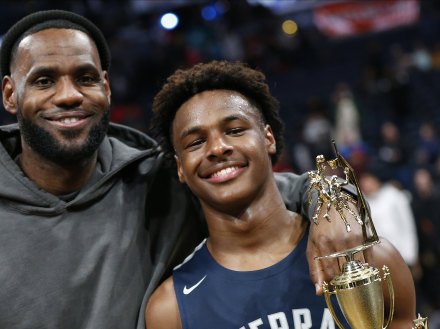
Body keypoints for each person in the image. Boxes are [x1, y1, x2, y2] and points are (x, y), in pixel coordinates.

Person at [0, 10, 364, 329]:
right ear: (11, 95)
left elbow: (284, 189)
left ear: (107, 89)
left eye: (85, 77)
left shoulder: (161, 180)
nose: (69, 95)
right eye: (44, 80)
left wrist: (333, 200)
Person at [146, 61, 416, 329]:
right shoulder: (171, 310)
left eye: (235, 130)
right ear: (180, 167)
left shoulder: (370, 260)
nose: (217, 147)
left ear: (268, 138)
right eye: (196, 142)